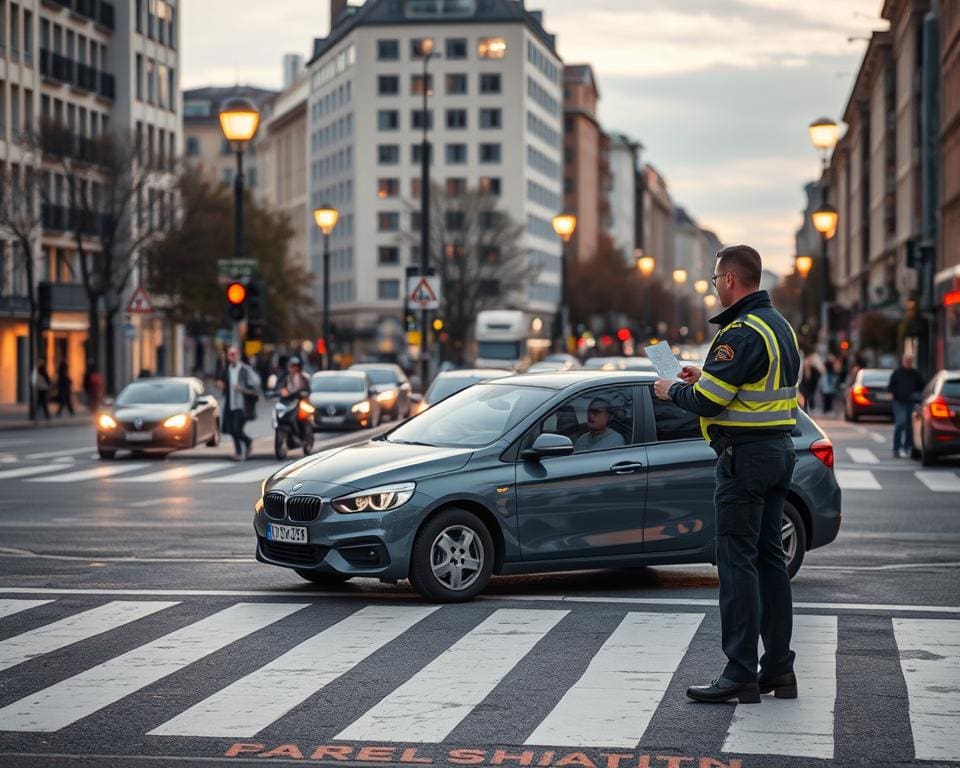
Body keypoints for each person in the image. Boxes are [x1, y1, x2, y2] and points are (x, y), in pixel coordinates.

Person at [653, 244, 801, 704]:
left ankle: (740, 672)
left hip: (744, 460)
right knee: (770, 563)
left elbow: (709, 403)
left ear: (732, 280)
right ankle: (779, 669)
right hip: (779, 452)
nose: (714, 286)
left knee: (736, 565)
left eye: (716, 279)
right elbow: (747, 387)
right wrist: (705, 375)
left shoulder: (740, 331)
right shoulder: (780, 327)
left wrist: (672, 389)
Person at [217, 345, 258, 460]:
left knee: (236, 429)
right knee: (231, 429)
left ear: (238, 355)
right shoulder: (226, 369)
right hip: (230, 404)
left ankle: (248, 442)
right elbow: (222, 383)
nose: (232, 357)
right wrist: (221, 385)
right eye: (230, 355)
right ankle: (239, 452)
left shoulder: (245, 369)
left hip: (242, 406)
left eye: (234, 354)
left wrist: (242, 389)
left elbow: (254, 387)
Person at [887, 353, 924, 458]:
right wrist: (893, 394)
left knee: (910, 426)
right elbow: (890, 387)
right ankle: (896, 448)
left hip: (911, 403)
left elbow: (921, 387)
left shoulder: (916, 374)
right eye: (906, 360)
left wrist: (917, 397)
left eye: (910, 360)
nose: (908, 362)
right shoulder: (897, 373)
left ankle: (907, 447)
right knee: (900, 424)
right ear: (903, 361)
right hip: (899, 402)